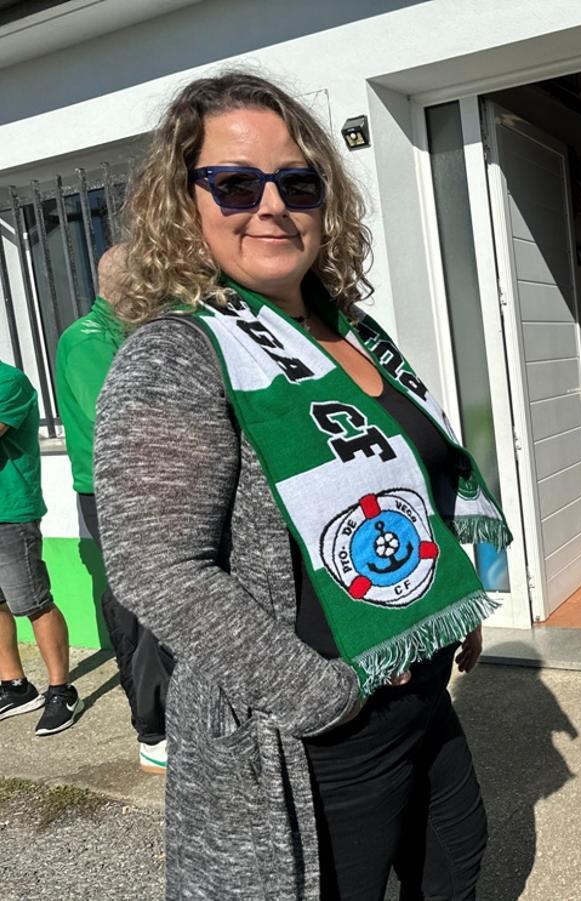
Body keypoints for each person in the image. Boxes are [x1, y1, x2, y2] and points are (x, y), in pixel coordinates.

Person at [94, 71, 510, 900]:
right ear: (186, 203)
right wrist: (321, 694)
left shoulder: (350, 330)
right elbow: (154, 565)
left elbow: (413, 478)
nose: (273, 205)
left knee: (456, 868)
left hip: (420, 692)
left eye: (298, 181)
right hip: (312, 734)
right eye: (237, 183)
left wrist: (450, 596)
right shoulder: (178, 355)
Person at [55, 243, 175, 773]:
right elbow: (131, 412)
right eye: (152, 282)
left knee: (167, 601)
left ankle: (175, 713)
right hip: (115, 490)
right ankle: (152, 729)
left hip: (153, 483)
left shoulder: (131, 334)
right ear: (127, 286)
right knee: (138, 609)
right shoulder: (86, 341)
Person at [0, 361, 82, 735]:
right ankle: (15, 686)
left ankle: (61, 690)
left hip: (11, 510)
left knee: (32, 601)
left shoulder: (8, 381)